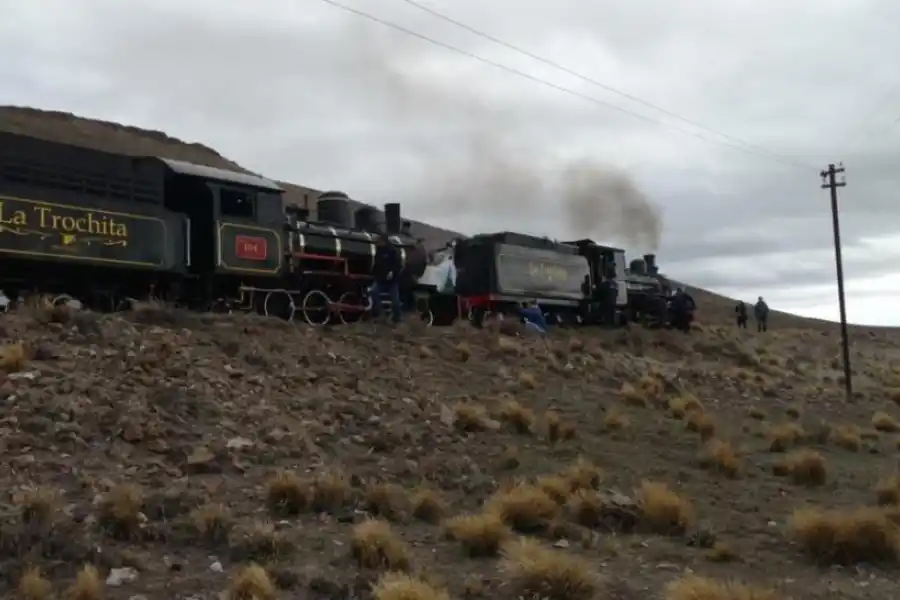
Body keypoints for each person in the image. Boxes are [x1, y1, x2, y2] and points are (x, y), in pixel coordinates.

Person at [369, 234, 403, 324]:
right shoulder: (378, 251)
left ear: (383, 241)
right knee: (373, 291)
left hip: (392, 281)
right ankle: (379, 313)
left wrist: (392, 271)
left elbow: (398, 265)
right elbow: (377, 265)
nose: (376, 243)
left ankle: (397, 318)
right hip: (380, 279)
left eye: (378, 242)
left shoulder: (393, 251)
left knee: (395, 300)